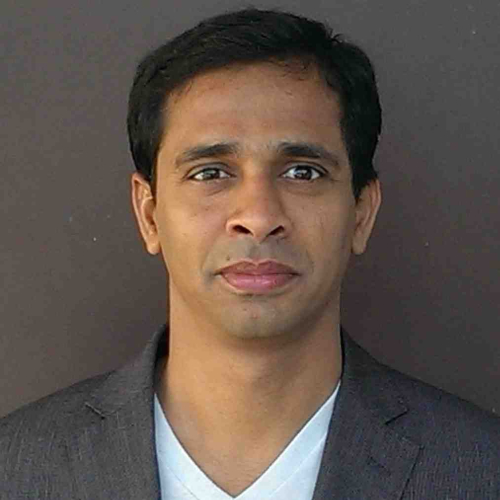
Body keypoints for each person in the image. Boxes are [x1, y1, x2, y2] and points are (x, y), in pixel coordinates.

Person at [1, 7, 499, 500]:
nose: (258, 217)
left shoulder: (480, 470)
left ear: (361, 213)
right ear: (149, 214)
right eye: (211, 173)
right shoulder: (16, 468)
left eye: (302, 172)